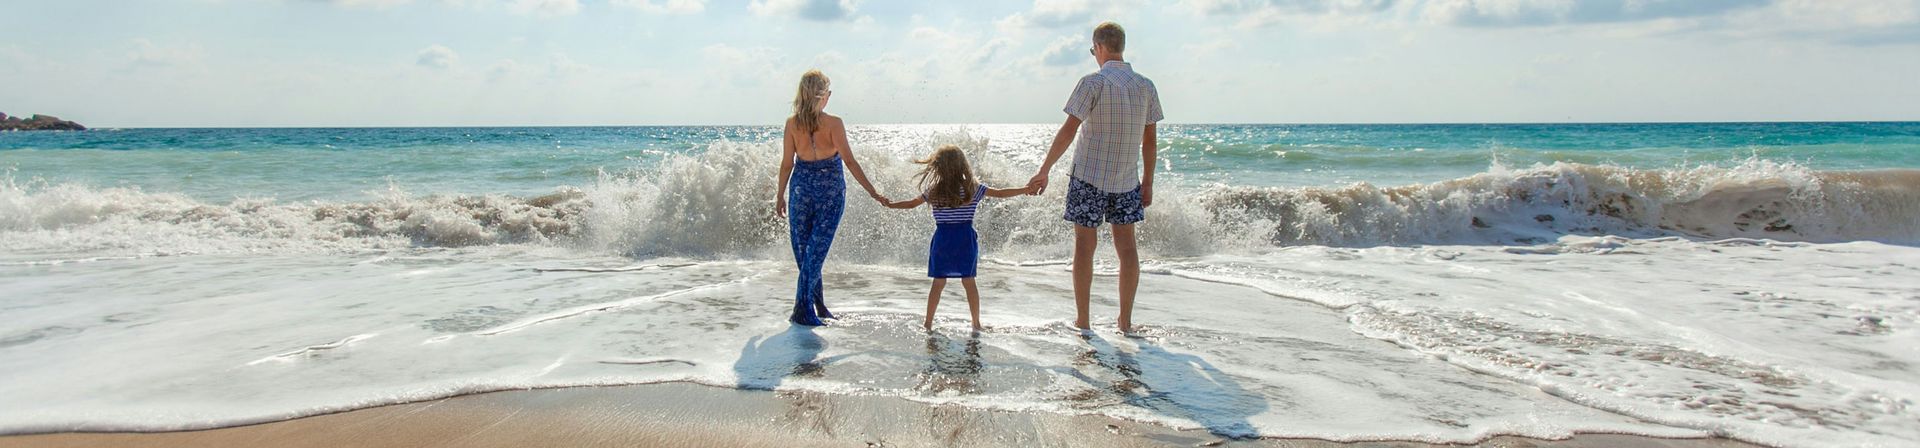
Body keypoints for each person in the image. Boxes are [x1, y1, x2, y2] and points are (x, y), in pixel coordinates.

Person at [1025, 21, 1163, 334]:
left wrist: (1044, 169)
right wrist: (1149, 181)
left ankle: (1084, 321)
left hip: (1088, 177)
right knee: (1127, 249)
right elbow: (1150, 142)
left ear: (1099, 47)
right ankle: (1125, 321)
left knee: (1085, 248)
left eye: (1093, 50)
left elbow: (1068, 131)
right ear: (1121, 47)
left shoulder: (1092, 83)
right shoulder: (1146, 86)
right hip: (1127, 180)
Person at [882, 145, 1034, 332]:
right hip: (964, 240)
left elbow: (912, 204)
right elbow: (1001, 193)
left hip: (943, 241)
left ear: (938, 167)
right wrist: (1025, 189)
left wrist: (891, 205)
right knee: (969, 282)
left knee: (938, 283)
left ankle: (928, 323)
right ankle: (976, 324)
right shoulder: (972, 189)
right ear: (963, 165)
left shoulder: (934, 191)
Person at [775, 69, 885, 326]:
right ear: (822, 95)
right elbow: (849, 160)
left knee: (807, 252)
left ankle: (818, 306)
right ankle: (803, 309)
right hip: (830, 192)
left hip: (801, 189)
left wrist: (780, 195)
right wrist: (872, 191)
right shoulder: (833, 123)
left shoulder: (793, 123)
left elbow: (786, 164)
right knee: (813, 252)